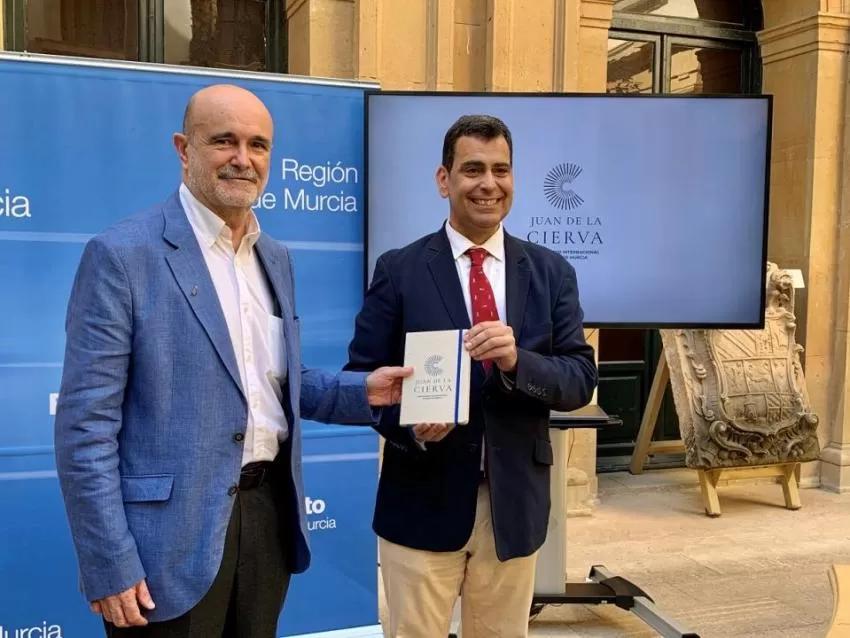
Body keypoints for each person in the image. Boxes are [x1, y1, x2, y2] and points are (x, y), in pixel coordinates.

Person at [54, 84, 410, 638]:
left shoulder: (275, 257)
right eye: (224, 141)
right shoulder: (121, 256)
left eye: (258, 145)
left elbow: (270, 381)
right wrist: (108, 561)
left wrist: (363, 391)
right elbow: (85, 427)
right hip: (163, 546)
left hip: (267, 519)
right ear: (184, 148)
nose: (243, 158)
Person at [345, 114, 598, 637]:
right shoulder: (400, 270)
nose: (488, 184)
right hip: (421, 502)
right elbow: (362, 378)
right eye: (473, 169)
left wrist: (517, 362)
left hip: (512, 507)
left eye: (501, 170)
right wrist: (410, 427)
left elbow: (578, 379)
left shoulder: (551, 272)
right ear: (445, 180)